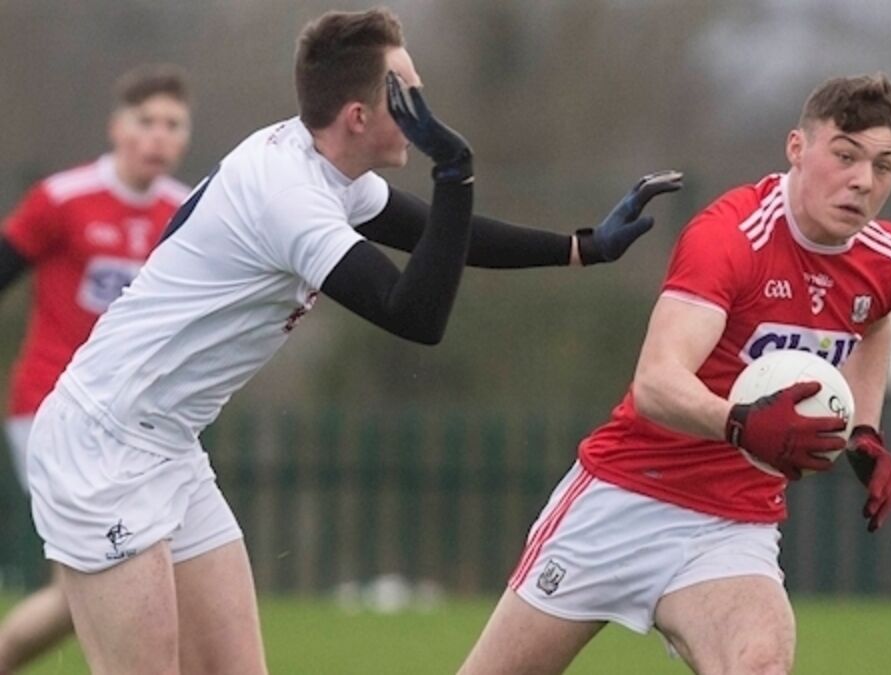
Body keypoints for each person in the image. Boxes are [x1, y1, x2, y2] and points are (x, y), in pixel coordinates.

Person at [23, 8, 680, 674]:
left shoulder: (324, 170)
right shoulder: (290, 197)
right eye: (408, 96)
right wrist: (454, 170)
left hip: (167, 443)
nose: (423, 112)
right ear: (359, 116)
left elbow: (433, 234)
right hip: (102, 443)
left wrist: (580, 247)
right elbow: (415, 315)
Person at [460, 73, 891, 675]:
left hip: (732, 524)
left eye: (885, 165)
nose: (863, 180)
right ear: (797, 148)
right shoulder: (731, 238)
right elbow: (656, 383)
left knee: (760, 667)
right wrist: (741, 423)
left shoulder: (885, 260)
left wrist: (865, 431)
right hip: (624, 499)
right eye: (846, 155)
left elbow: (875, 320)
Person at [0, 64, 192, 674]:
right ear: (117, 128)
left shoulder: (185, 211)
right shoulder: (63, 198)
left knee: (114, 580)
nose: (158, 136)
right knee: (107, 574)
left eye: (173, 124)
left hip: (132, 418)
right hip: (50, 405)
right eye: (146, 121)